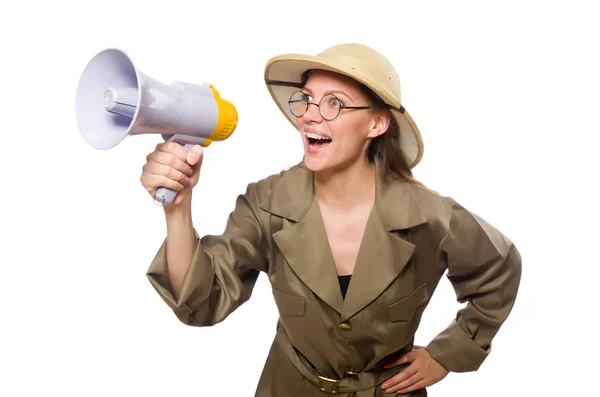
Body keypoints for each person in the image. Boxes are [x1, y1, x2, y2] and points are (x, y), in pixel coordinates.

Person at [140, 43, 522, 396]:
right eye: (306, 100)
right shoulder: (266, 204)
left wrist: (447, 355)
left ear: (376, 125)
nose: (307, 115)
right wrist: (179, 207)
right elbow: (201, 303)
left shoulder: (430, 216)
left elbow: (500, 270)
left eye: (334, 103)